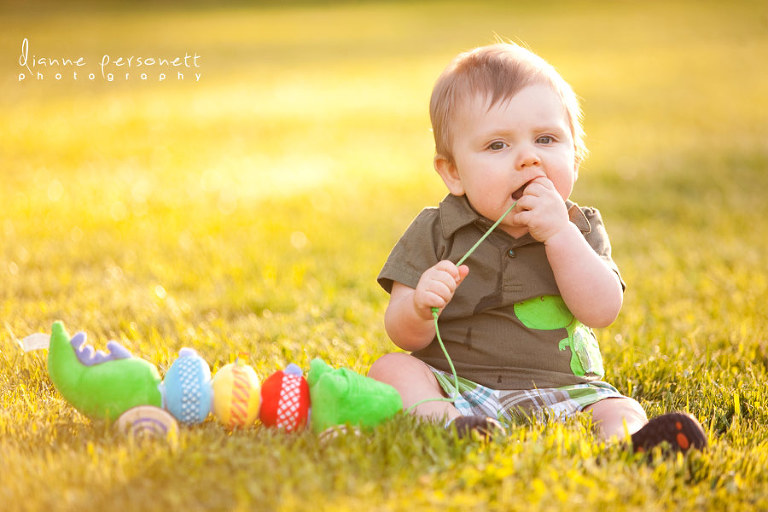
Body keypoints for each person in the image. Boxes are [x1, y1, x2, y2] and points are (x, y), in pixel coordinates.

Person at [369, 42, 706, 452]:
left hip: (566, 390)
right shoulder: (438, 228)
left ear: (576, 159)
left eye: (546, 140)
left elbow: (602, 311)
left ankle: (628, 443)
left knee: (619, 405)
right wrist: (420, 305)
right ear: (454, 173)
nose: (529, 158)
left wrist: (559, 235)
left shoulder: (580, 227)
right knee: (392, 369)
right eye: (498, 145)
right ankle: (449, 424)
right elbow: (402, 333)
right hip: (457, 386)